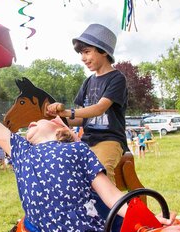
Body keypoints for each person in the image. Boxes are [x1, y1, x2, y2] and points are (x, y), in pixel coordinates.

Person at [0, 67, 175, 232]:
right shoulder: (21, 150)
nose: (29, 122)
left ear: (60, 128)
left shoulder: (78, 150)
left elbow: (112, 196)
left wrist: (151, 220)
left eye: (37, 120)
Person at [47, 23, 128, 185]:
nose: (83, 58)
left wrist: (68, 112)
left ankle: (110, 209)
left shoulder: (117, 79)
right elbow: (80, 118)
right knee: (68, 172)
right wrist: (56, 117)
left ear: (103, 51)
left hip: (109, 140)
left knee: (102, 171)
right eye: (81, 53)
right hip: (86, 140)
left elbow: (99, 109)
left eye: (87, 52)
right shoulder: (88, 82)